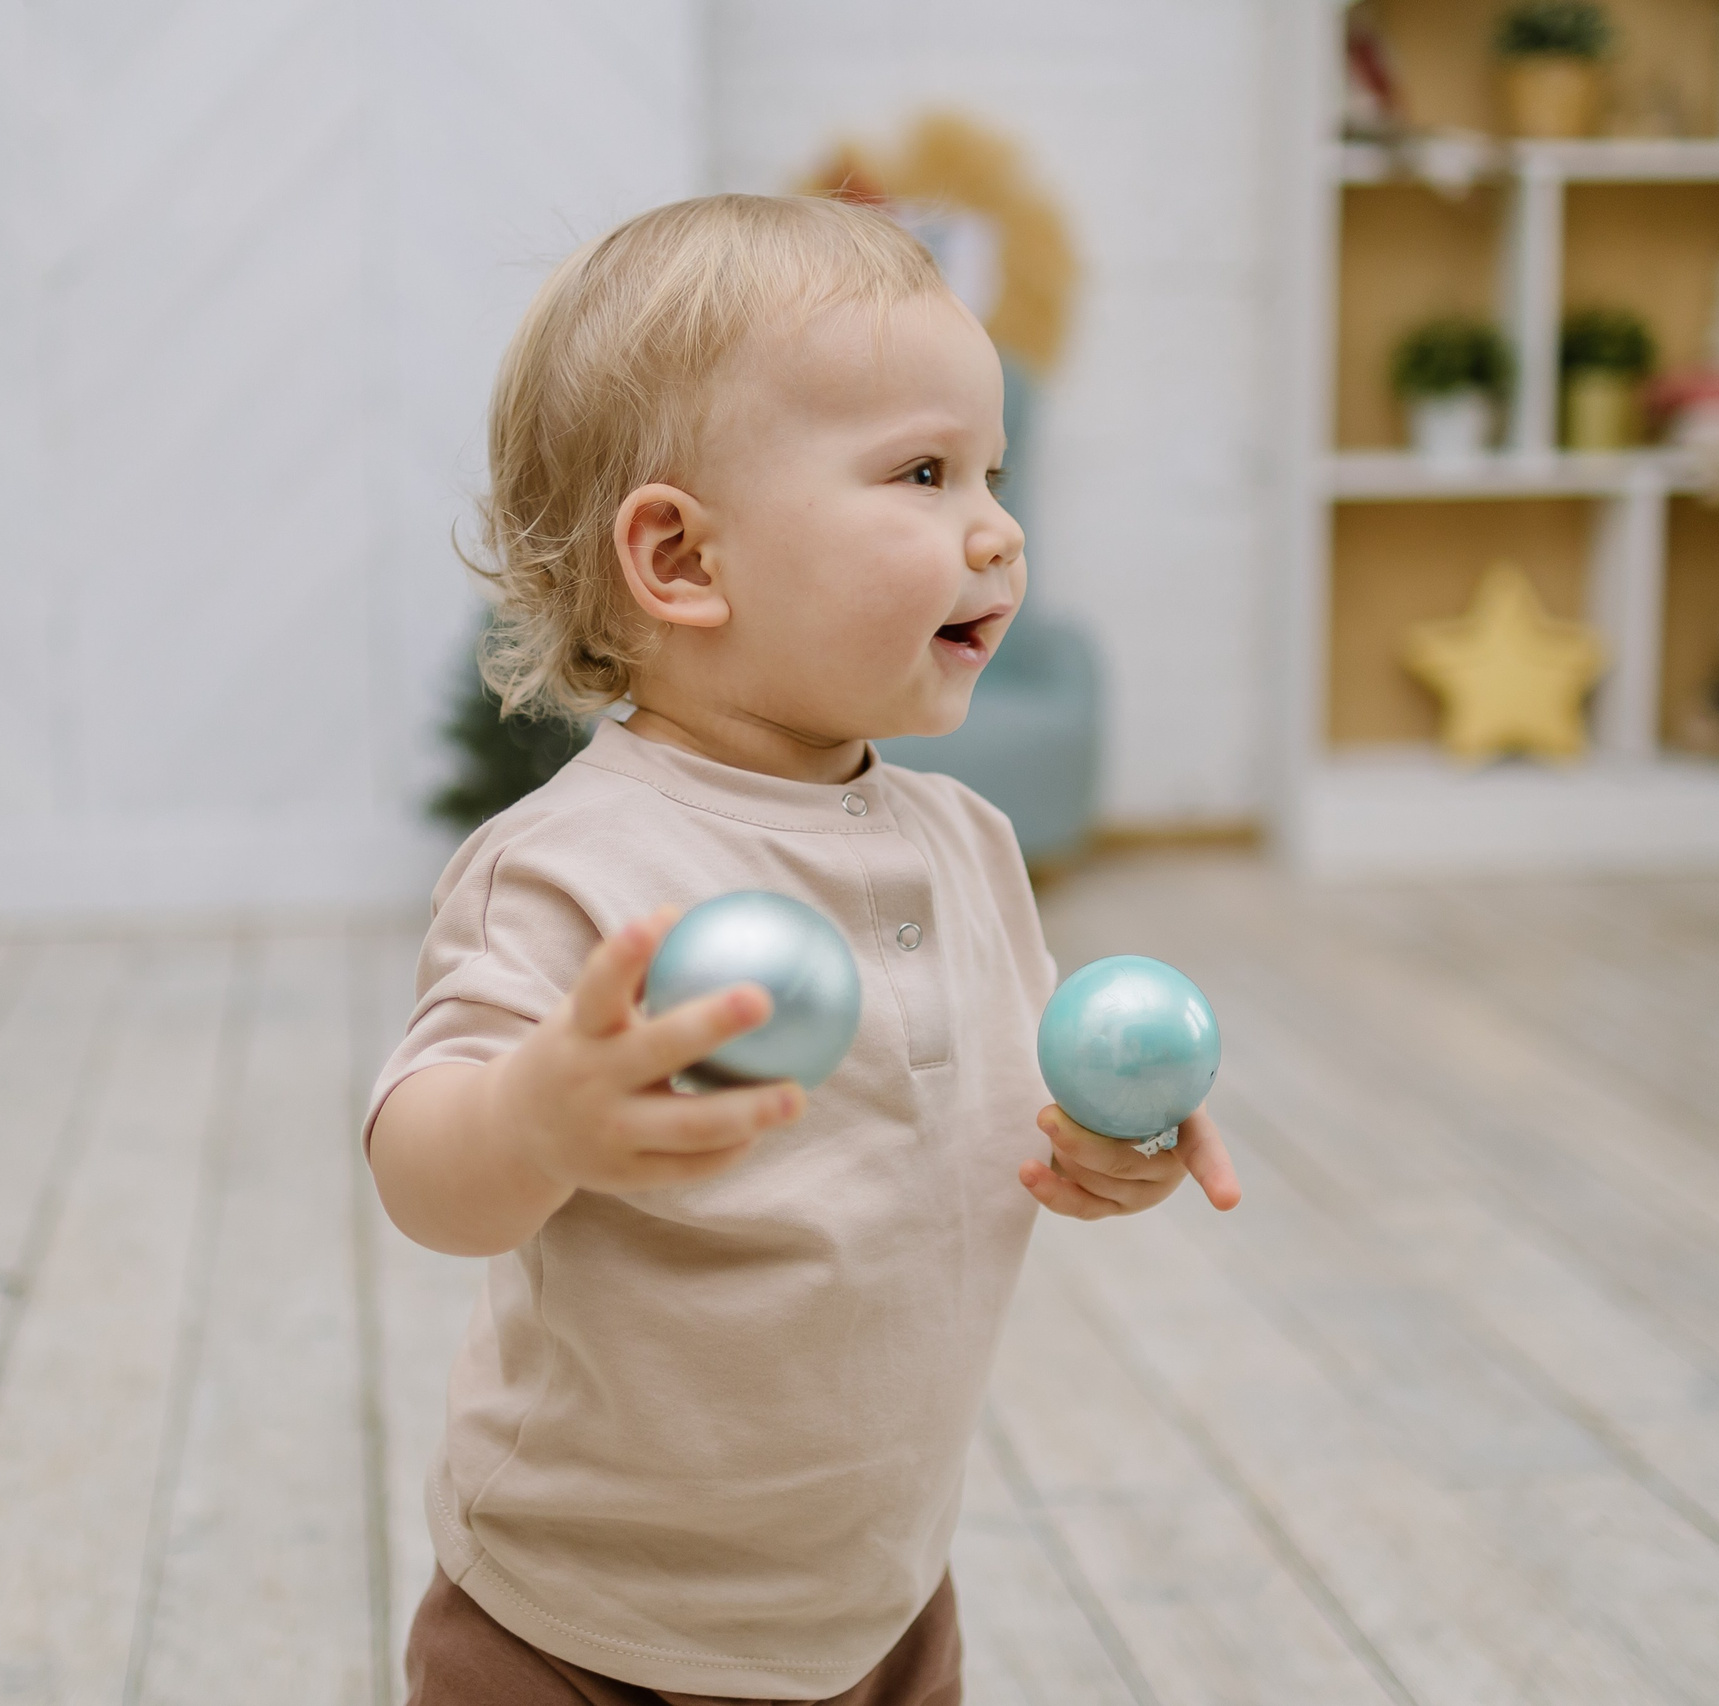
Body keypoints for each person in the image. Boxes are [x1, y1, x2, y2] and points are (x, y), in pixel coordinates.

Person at [365, 194, 1242, 1706]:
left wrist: (1120, 1141)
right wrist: (535, 1117)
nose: (998, 528)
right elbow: (421, 1172)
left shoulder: (969, 847)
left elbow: (1023, 1114)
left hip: (875, 1612)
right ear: (682, 557)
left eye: (991, 473)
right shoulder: (574, 868)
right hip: (579, 1635)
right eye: (924, 473)